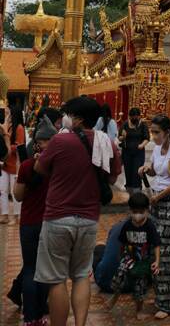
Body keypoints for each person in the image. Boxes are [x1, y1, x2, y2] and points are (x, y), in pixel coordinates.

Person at [34, 96, 121, 326]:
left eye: (69, 115)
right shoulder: (107, 143)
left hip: (57, 217)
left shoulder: (59, 141)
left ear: (79, 119)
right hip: (89, 218)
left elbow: (39, 168)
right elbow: (112, 176)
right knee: (81, 275)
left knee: (56, 279)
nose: (65, 119)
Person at [139, 114, 170, 319]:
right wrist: (146, 170)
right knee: (157, 247)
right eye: (152, 132)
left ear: (167, 132)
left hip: (169, 202)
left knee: (163, 251)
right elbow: (156, 173)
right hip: (156, 201)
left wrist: (158, 196)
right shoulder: (157, 149)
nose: (154, 136)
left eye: (157, 132)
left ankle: (165, 303)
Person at [11, 117, 56, 326]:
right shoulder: (57, 165)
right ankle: (42, 310)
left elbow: (18, 196)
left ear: (37, 142)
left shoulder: (28, 165)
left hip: (29, 222)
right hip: (50, 222)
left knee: (30, 268)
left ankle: (31, 318)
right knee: (45, 269)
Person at [109, 192, 161, 321]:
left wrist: (157, 261)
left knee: (140, 285)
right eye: (135, 211)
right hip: (128, 257)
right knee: (119, 275)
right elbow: (122, 243)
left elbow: (156, 245)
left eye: (141, 211)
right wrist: (122, 258)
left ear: (146, 211)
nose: (138, 215)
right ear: (130, 210)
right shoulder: (127, 225)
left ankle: (139, 309)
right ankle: (115, 295)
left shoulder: (149, 226)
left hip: (143, 261)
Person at [0, 104, 26, 223]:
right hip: (4, 164)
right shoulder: (6, 127)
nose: (6, 115)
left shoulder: (19, 128)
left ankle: (17, 216)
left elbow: (19, 146)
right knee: (3, 190)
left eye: (8, 112)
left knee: (13, 191)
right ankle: (4, 215)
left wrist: (6, 144)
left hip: (15, 165)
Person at [93, 219, 128, 293]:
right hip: (133, 284)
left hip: (103, 282)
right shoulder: (147, 228)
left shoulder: (116, 227)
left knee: (100, 246)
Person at [120, 108, 150, 193]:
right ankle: (129, 192)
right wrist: (123, 137)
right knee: (128, 172)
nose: (133, 119)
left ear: (139, 116)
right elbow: (120, 137)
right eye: (131, 117)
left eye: (135, 117)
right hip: (127, 152)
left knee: (136, 173)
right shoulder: (125, 124)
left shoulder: (143, 125)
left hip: (138, 153)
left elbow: (147, 138)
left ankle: (137, 193)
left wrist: (142, 145)